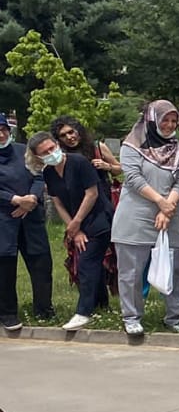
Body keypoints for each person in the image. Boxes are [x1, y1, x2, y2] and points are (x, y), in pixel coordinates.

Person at [112, 100, 179, 336]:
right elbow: (133, 179)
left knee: (173, 269)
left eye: (173, 120)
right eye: (164, 119)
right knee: (132, 273)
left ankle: (174, 316)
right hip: (135, 218)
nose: (169, 125)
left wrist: (168, 207)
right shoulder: (132, 146)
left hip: (170, 216)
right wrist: (161, 202)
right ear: (152, 120)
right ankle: (132, 317)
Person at [29, 131, 112, 331]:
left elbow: (92, 194)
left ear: (57, 144)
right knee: (94, 264)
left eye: (52, 148)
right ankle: (102, 304)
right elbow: (57, 201)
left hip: (97, 218)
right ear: (38, 157)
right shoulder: (48, 172)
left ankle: (84, 312)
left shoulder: (79, 162)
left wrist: (77, 222)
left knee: (85, 263)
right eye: (45, 152)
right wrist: (73, 229)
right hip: (76, 222)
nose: (51, 153)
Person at [51, 115, 119, 299]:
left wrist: (106, 166)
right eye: (63, 135)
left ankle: (100, 298)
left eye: (71, 132)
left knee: (103, 254)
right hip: (74, 208)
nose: (69, 137)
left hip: (101, 206)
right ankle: (93, 299)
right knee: (81, 254)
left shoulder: (97, 147)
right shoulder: (60, 158)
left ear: (78, 130)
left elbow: (119, 168)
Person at [0, 118, 52, 330]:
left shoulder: (23, 151)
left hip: (31, 218)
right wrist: (14, 200)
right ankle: (8, 312)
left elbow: (39, 176)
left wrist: (31, 198)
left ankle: (44, 310)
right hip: (4, 220)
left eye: (3, 130)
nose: (1, 135)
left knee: (41, 264)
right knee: (4, 269)